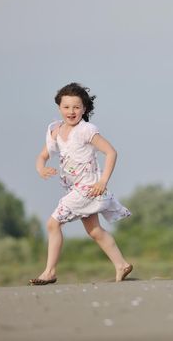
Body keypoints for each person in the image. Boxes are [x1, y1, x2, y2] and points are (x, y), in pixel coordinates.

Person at [29, 82, 132, 285]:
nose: (71, 111)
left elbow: (111, 152)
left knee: (53, 223)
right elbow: (42, 156)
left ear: (84, 108)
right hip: (74, 188)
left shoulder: (86, 130)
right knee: (94, 231)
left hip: (89, 187)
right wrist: (41, 168)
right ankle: (121, 264)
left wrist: (103, 181)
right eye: (66, 107)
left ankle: (49, 272)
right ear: (59, 108)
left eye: (76, 107)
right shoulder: (55, 131)